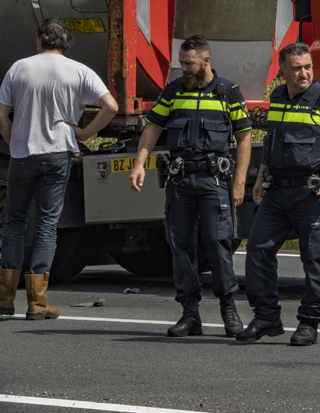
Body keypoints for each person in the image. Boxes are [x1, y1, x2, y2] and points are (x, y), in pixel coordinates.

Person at [129, 35, 251, 337]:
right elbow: (153, 128)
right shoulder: (173, 91)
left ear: (206, 61)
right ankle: (189, 313)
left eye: (189, 63)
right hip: (180, 180)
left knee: (217, 242)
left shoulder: (227, 92)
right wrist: (139, 164)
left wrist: (239, 184)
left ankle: (228, 309)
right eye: (181, 63)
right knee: (181, 246)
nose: (183, 68)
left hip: (214, 181)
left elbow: (244, 138)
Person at [237, 42, 320, 346]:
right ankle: (266, 317)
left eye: (308, 67)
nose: (304, 73)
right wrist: (261, 178)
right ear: (283, 71)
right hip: (277, 193)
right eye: (297, 68)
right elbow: (273, 141)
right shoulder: (277, 96)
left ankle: (309, 323)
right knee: (258, 251)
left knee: (314, 260)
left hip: (311, 194)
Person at [0, 18, 118, 320]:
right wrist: (84, 133)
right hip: (57, 154)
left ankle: (5, 300)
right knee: (46, 224)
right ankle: (38, 304)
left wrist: (14, 142)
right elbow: (111, 106)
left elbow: (2, 115)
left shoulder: (19, 68)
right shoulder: (79, 71)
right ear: (65, 44)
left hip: (23, 154)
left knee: (14, 222)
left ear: (41, 39)